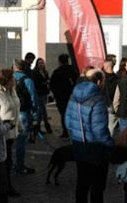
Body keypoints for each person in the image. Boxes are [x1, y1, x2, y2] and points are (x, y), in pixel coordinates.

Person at [65, 68, 114, 203]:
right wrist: (111, 145)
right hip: (96, 150)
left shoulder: (74, 95)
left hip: (79, 146)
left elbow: (68, 122)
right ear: (99, 82)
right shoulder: (98, 99)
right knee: (97, 187)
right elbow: (99, 130)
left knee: (82, 183)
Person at [0, 69, 21, 197]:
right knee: (5, 162)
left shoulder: (12, 91)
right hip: (2, 134)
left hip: (12, 132)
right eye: (12, 78)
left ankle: (4, 186)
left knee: (8, 161)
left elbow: (16, 109)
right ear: (6, 80)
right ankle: (5, 188)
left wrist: (19, 125)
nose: (15, 80)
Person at [13, 58, 38, 174]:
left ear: (14, 67)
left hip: (9, 113)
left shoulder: (9, 78)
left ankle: (9, 163)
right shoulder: (28, 80)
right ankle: (20, 165)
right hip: (23, 112)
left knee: (7, 141)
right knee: (21, 141)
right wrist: (35, 114)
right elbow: (33, 98)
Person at [50, 53, 78, 139]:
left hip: (61, 97)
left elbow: (52, 85)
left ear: (60, 61)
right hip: (72, 96)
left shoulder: (57, 72)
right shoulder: (74, 70)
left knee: (63, 114)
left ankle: (65, 132)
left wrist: (55, 95)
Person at [33, 58, 52, 134]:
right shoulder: (35, 72)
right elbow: (36, 83)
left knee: (42, 110)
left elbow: (48, 79)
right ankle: (44, 127)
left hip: (44, 93)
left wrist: (48, 82)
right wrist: (44, 83)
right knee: (42, 110)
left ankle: (39, 128)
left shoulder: (45, 72)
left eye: (42, 63)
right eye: (39, 63)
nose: (41, 64)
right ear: (37, 64)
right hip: (39, 93)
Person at [102, 60, 119, 136]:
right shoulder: (118, 79)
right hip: (113, 105)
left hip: (103, 104)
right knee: (110, 126)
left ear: (107, 67)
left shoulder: (101, 79)